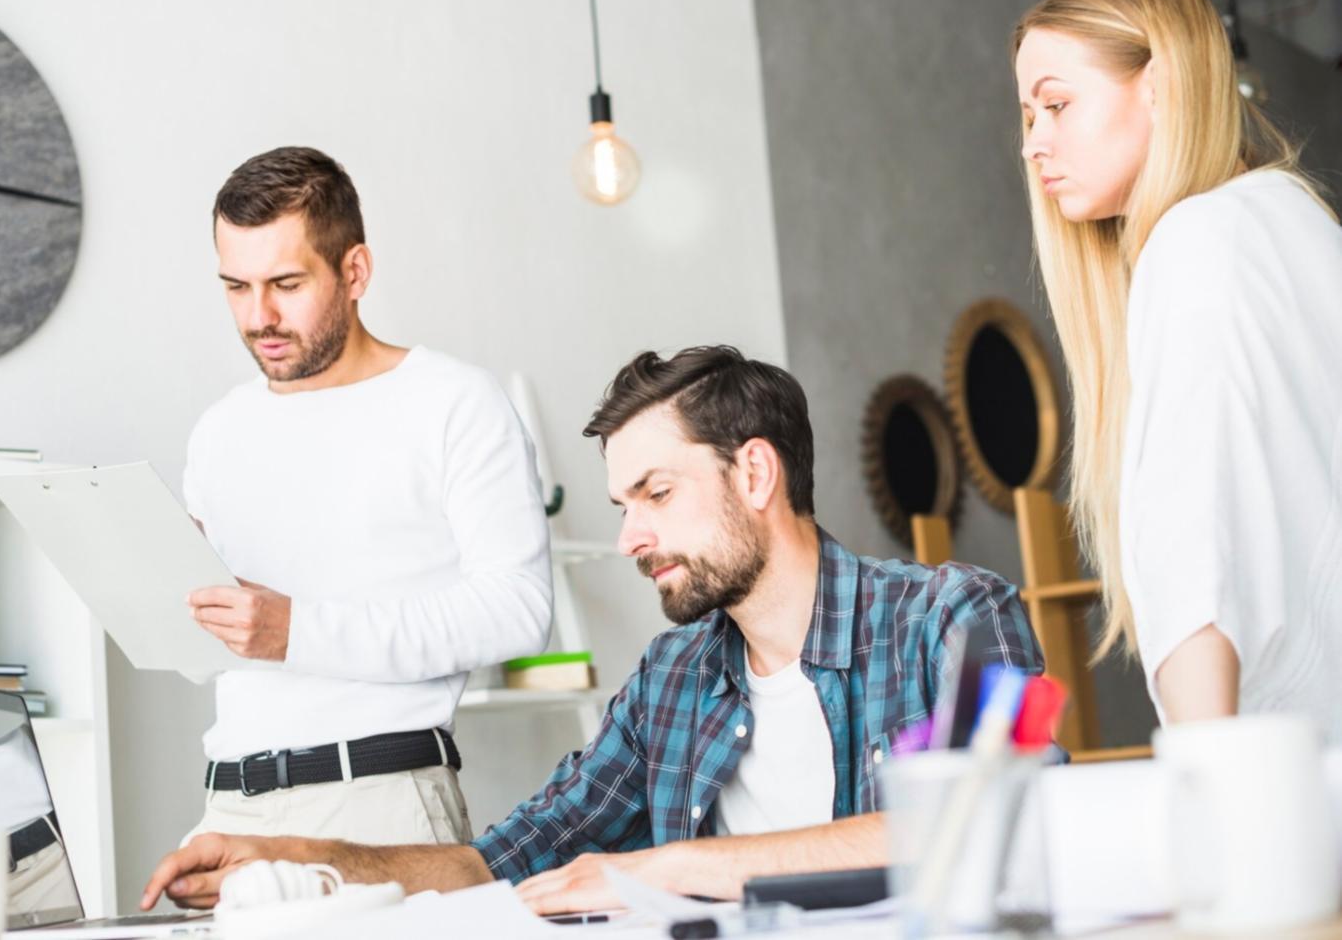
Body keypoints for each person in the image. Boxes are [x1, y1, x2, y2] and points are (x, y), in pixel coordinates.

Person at [142, 346, 1041, 915]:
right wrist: (291, 855)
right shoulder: (672, 678)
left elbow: (997, 821)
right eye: (622, 505)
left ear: (756, 474)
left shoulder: (961, 617)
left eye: (657, 494)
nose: (629, 538)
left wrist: (670, 868)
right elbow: (498, 860)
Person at [179, 146, 553, 845]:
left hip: (380, 801)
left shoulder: (453, 402)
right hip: (229, 805)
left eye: (286, 283)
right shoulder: (218, 430)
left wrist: (298, 631)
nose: (259, 316)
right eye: (236, 286)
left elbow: (518, 610)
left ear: (355, 271)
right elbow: (212, 653)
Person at [1013, 0, 1342, 735]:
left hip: (1289, 773)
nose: (1034, 145)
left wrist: (1209, 780)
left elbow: (1197, 554)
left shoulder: (1195, 241)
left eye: (1057, 105)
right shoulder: (1298, 221)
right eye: (1029, 117)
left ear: (1158, 85)